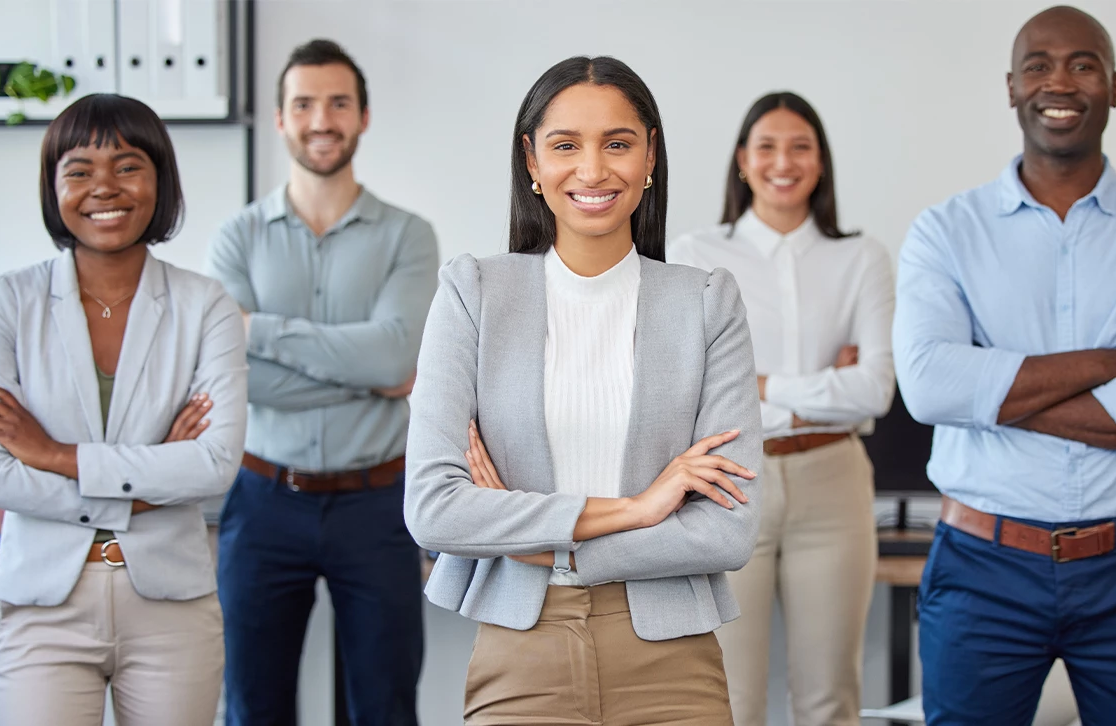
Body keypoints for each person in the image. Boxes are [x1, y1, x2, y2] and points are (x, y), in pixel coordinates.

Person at [892, 6, 1116, 724]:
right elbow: (928, 387)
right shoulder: (946, 231)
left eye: (1083, 63)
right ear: (1011, 87)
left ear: (1113, 84)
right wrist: (1115, 364)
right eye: (1039, 64)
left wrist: (992, 389)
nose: (1060, 81)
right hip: (983, 566)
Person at [403, 55, 763, 725]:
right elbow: (433, 511)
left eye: (618, 143)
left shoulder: (706, 302)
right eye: (566, 144)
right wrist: (638, 509)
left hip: (672, 661)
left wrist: (519, 529)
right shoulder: (473, 294)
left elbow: (726, 531)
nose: (593, 170)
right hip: (522, 654)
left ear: (650, 155)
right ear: (531, 161)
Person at [0, 93, 248, 725]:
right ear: (53, 187)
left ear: (159, 180)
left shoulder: (206, 306)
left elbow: (214, 466)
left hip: (171, 605)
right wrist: (153, 476)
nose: (104, 188)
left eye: (127, 165)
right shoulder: (7, 303)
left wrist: (54, 455)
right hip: (44, 606)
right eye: (80, 170)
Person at [206, 39, 438, 726]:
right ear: (279, 118)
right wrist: (370, 375)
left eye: (338, 103)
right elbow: (232, 378)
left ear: (363, 116)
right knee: (253, 707)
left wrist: (261, 331)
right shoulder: (237, 237)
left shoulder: (408, 236)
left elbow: (397, 360)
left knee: (384, 709)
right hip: (262, 500)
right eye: (304, 103)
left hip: (379, 502)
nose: (321, 119)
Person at [668, 90, 892, 726]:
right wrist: (825, 384)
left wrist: (760, 385)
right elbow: (688, 387)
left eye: (801, 147)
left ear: (821, 163)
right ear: (742, 160)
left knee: (831, 698)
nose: (783, 162)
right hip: (730, 480)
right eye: (766, 146)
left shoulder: (862, 257)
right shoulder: (696, 255)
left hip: (834, 480)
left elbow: (875, 389)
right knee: (729, 698)